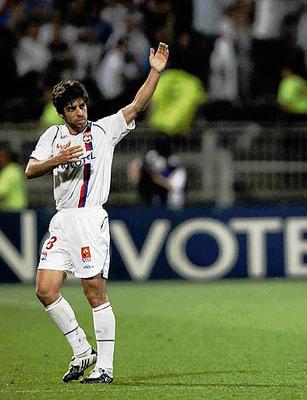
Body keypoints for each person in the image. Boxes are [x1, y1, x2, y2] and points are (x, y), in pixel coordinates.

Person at [25, 42, 170, 384]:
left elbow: (136, 106)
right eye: (72, 108)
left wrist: (154, 72)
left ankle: (104, 367)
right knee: (45, 289)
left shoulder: (103, 131)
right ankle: (81, 350)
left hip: (90, 219)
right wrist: (57, 160)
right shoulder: (53, 136)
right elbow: (31, 170)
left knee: (94, 291)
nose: (79, 112)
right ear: (61, 113)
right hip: (62, 219)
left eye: (82, 105)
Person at [0, 146, 27, 211]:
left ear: (7, 157)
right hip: (20, 207)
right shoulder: (17, 169)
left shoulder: (9, 172)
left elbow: (2, 193)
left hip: (10, 210)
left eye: (1, 157)